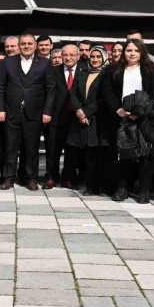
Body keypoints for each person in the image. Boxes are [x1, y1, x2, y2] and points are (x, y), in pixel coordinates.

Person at [100, 39, 154, 202]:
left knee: (145, 154)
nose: (132, 53)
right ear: (124, 52)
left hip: (144, 116)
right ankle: (122, 188)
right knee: (121, 153)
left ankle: (144, 189)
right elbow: (107, 91)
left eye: (136, 50)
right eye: (129, 50)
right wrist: (118, 109)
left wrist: (140, 112)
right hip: (120, 116)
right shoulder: (112, 69)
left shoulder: (153, 70)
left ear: (142, 52)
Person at [0, 34, 55, 191]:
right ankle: (8, 177)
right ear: (19, 45)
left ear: (35, 45)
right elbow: (0, 86)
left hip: (35, 112)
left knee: (31, 148)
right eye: (23, 43)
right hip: (11, 111)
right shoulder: (8, 62)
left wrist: (47, 111)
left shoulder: (45, 63)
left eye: (29, 43)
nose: (26, 46)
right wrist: (0, 109)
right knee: (10, 146)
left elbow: (50, 89)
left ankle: (30, 178)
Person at [68, 45, 110, 195]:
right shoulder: (83, 73)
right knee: (89, 155)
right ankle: (91, 187)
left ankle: (104, 186)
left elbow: (104, 98)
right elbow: (73, 94)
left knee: (101, 155)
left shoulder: (107, 74)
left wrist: (86, 112)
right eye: (93, 56)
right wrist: (80, 112)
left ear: (104, 58)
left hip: (99, 120)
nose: (95, 59)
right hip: (82, 119)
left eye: (98, 57)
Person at [44, 44, 85, 190]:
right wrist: (47, 112)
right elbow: (49, 93)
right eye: (65, 55)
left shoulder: (84, 70)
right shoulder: (53, 70)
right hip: (56, 116)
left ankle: (68, 177)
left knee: (72, 150)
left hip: (76, 117)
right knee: (53, 149)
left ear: (78, 56)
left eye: (72, 55)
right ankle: (51, 176)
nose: (68, 58)